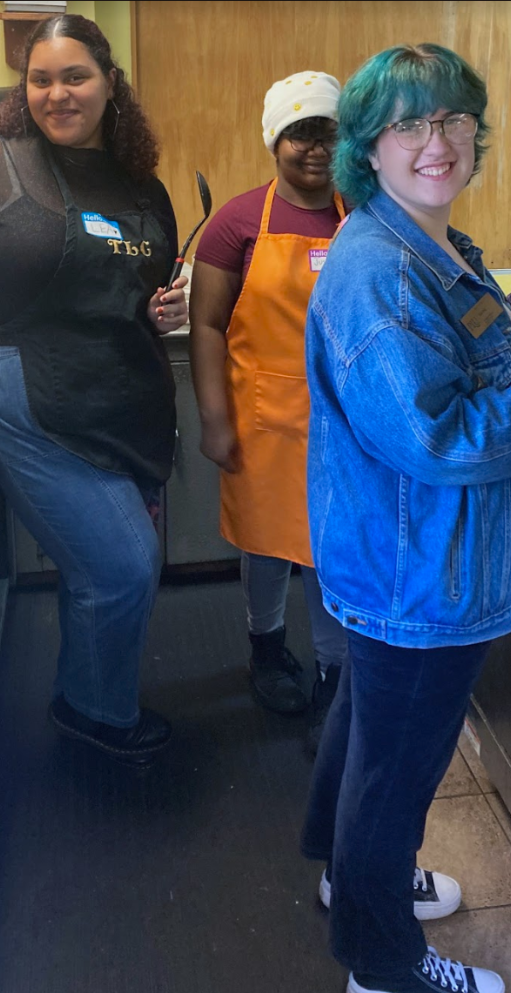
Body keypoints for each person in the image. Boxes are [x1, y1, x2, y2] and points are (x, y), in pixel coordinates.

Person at [299, 43, 511, 993]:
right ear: (368, 146)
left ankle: (356, 877)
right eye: (408, 124)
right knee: (400, 763)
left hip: (402, 554)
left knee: (375, 735)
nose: (436, 142)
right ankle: (383, 967)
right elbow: (440, 440)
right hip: (418, 564)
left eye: (453, 119)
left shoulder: (428, 240)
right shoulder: (379, 270)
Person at [0, 15, 188, 766]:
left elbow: (138, 283)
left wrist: (157, 305)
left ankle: (83, 692)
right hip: (33, 397)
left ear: (112, 84)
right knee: (122, 565)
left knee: (101, 569)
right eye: (40, 78)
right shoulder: (7, 163)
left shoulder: (143, 185)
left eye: (74, 76)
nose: (56, 93)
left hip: (122, 392)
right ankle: (96, 709)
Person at [189, 71, 348, 752]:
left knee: (332, 553)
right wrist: (215, 419)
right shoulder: (234, 222)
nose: (314, 148)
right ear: (274, 141)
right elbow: (206, 326)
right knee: (265, 547)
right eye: (299, 134)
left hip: (344, 424)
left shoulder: (365, 216)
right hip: (262, 420)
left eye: (328, 133)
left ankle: (336, 671)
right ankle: (266, 647)